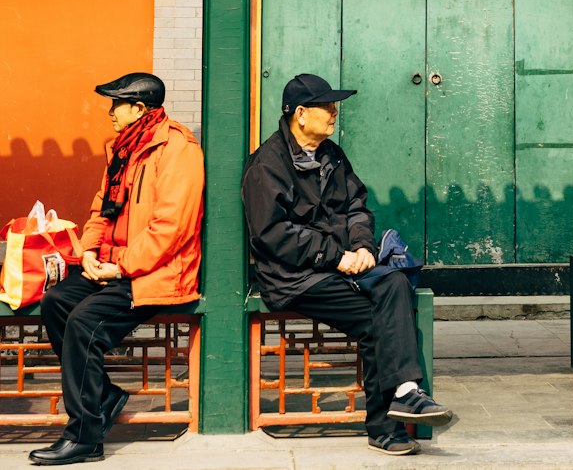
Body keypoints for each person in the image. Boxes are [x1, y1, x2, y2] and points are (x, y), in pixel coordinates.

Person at [242, 73, 452, 457]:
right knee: (380, 323)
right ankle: (391, 419)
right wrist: (337, 256)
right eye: (327, 106)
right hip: (296, 278)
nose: (334, 112)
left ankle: (404, 395)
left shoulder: (332, 156)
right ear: (301, 114)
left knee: (394, 284)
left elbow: (357, 206)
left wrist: (363, 247)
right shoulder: (267, 165)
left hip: (343, 265)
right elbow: (272, 234)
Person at [31, 73, 204, 467]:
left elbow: (171, 227)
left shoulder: (177, 148)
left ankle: (85, 436)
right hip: (116, 265)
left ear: (140, 109)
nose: (110, 113)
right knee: (57, 301)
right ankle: (104, 397)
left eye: (116, 105)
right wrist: (89, 252)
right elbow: (101, 210)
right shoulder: (123, 149)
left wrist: (118, 267)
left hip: (157, 272)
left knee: (84, 323)